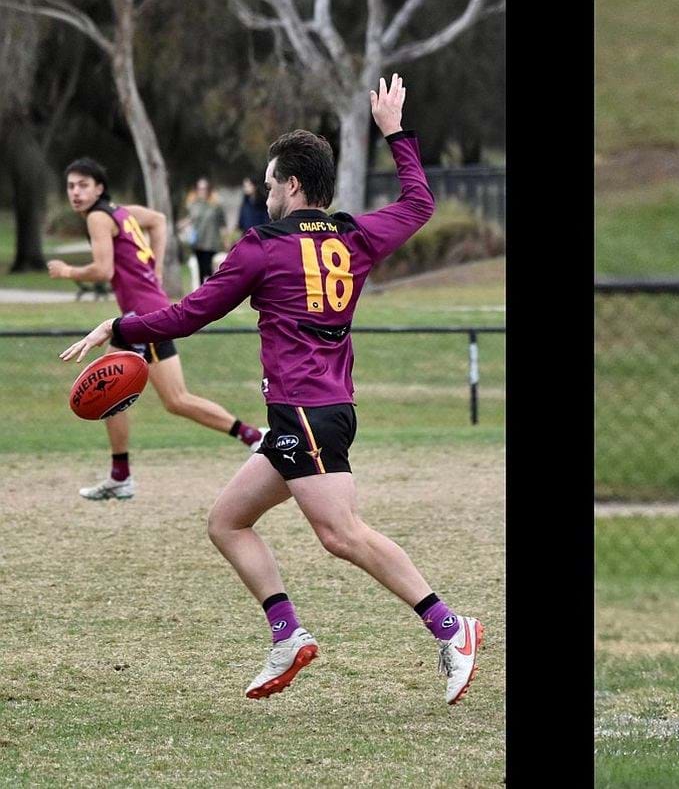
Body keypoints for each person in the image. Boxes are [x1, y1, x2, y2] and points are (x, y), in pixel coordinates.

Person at [59, 73, 483, 705]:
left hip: (309, 416)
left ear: (290, 184)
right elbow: (420, 204)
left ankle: (453, 629)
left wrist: (116, 325)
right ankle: (288, 635)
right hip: (312, 413)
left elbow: (187, 316)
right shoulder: (355, 236)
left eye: (268, 181)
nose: (264, 192)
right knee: (228, 522)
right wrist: (396, 133)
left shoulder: (261, 249)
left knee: (342, 535)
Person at [47, 159, 264, 501]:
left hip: (139, 317)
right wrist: (157, 267)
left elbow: (104, 270)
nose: (75, 192)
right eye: (71, 186)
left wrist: (67, 271)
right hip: (153, 311)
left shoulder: (98, 217)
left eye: (83, 185)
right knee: (176, 399)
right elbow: (159, 221)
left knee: (105, 390)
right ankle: (253, 436)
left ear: (99, 189)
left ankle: (121, 476)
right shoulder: (122, 212)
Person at [181, 177, 226, 283]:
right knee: (200, 270)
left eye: (204, 188)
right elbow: (191, 219)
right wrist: (182, 225)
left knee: (210, 269)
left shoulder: (215, 205)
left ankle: (212, 291)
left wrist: (225, 240)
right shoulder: (193, 204)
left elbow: (222, 224)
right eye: (200, 188)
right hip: (198, 242)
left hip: (211, 242)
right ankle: (202, 293)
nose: (202, 191)